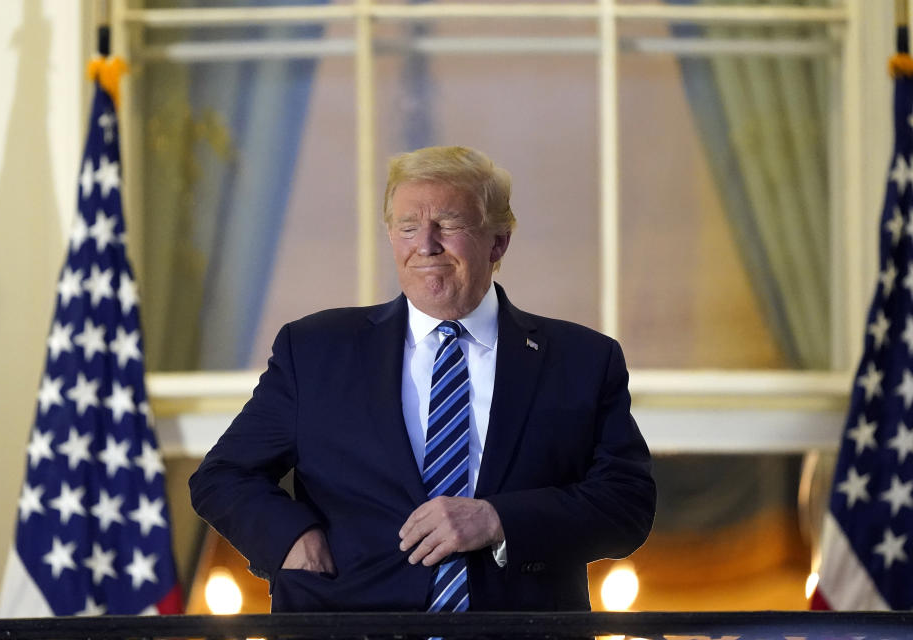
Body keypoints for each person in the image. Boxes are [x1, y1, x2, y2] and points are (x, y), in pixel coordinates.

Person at [189, 145, 656, 612]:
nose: (426, 245)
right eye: (408, 227)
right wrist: (291, 540)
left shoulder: (581, 360)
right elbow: (223, 476)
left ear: (498, 242)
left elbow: (627, 503)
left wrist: (498, 520)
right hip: (346, 625)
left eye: (449, 225)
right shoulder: (314, 350)